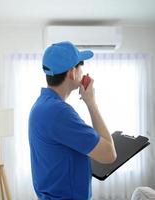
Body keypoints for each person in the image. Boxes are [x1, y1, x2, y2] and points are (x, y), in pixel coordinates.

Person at [28, 41, 117, 200]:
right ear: (72, 72)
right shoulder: (58, 112)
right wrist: (91, 103)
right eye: (80, 66)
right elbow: (109, 155)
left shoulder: (41, 106)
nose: (83, 71)